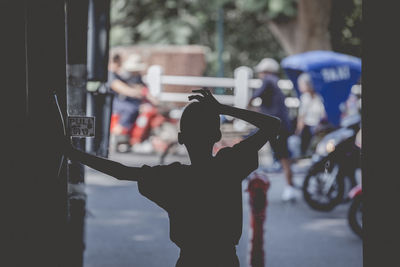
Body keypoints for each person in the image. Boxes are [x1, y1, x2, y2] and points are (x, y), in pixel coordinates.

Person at [61, 88, 281, 267]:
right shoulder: (229, 165)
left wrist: (72, 152)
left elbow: (120, 171)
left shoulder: (172, 178)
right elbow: (273, 125)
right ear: (216, 135)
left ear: (181, 138)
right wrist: (221, 108)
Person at [249, 57, 298, 202]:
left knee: (281, 156)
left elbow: (254, 96)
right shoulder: (275, 82)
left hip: (274, 126)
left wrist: (244, 108)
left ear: (265, 71)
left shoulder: (268, 80)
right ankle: (290, 186)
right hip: (279, 124)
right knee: (284, 157)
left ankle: (289, 187)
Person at [108, 54, 147, 144]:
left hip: (118, 100)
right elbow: (121, 88)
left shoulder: (119, 75)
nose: (118, 65)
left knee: (136, 107)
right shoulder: (110, 75)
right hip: (111, 101)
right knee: (130, 108)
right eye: (116, 62)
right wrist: (137, 92)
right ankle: (118, 132)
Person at [295, 72, 326, 156]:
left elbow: (323, 113)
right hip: (309, 126)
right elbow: (302, 116)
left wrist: (298, 130)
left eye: (301, 84)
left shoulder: (318, 96)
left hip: (317, 126)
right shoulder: (305, 97)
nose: (300, 86)